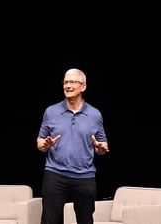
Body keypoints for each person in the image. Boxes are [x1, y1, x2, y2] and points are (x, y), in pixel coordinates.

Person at [37, 68, 109, 224]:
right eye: (65, 82)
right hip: (55, 174)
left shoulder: (95, 114)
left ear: (83, 87)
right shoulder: (51, 111)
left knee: (85, 221)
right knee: (49, 221)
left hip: (85, 177)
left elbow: (102, 145)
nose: (67, 86)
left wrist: (100, 149)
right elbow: (40, 143)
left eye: (72, 82)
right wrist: (45, 145)